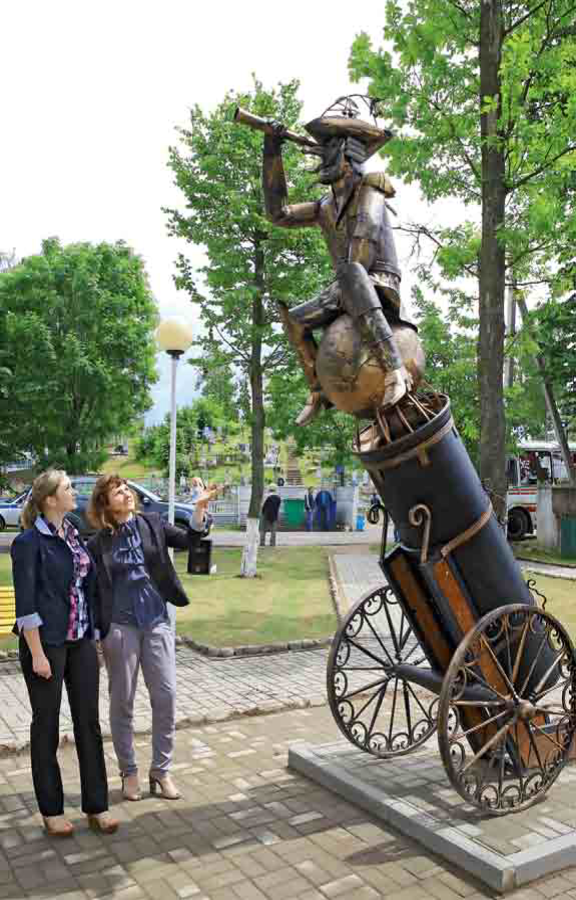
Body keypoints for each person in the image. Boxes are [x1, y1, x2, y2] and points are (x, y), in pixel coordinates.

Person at [262, 95, 417, 425]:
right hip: (347, 285)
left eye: (330, 150)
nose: (323, 157)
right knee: (294, 320)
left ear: (349, 156)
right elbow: (279, 213)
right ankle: (319, 391)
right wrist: (271, 150)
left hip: (378, 283)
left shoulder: (371, 191)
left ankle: (396, 370)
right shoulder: (324, 206)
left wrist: (342, 285)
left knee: (350, 271)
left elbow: (361, 254)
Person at [87, 475, 212, 802]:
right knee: (122, 702)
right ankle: (129, 772)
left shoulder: (152, 523)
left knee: (166, 696)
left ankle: (161, 770)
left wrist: (199, 509)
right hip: (119, 627)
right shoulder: (97, 543)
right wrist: (96, 636)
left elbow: (189, 540)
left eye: (127, 488)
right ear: (105, 502)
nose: (127, 493)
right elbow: (91, 592)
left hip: (157, 622)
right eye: (118, 491)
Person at [10, 470, 117, 838]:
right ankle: (51, 810)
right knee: (47, 726)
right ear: (49, 499)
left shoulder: (73, 532)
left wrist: (96, 636)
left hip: (80, 642)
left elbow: (86, 587)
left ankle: (97, 805)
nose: (75, 492)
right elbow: (26, 606)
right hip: (47, 646)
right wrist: (37, 655)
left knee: (89, 722)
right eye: (68, 488)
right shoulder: (28, 543)